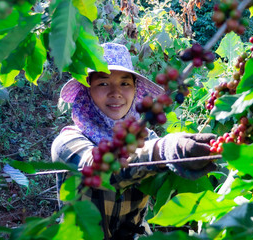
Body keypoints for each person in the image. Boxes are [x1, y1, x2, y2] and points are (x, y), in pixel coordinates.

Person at [51, 42, 216, 240]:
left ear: (135, 89)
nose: (116, 92)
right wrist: (161, 151)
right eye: (103, 83)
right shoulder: (67, 142)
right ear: (87, 90)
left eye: (125, 83)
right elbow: (100, 170)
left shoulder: (146, 138)